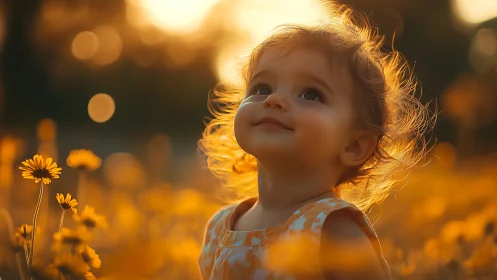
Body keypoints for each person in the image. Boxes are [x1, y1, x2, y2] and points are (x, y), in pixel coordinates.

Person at [197, 4, 434, 280]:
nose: (274, 100)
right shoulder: (219, 228)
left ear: (353, 145)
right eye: (262, 88)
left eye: (311, 94)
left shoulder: (333, 228)